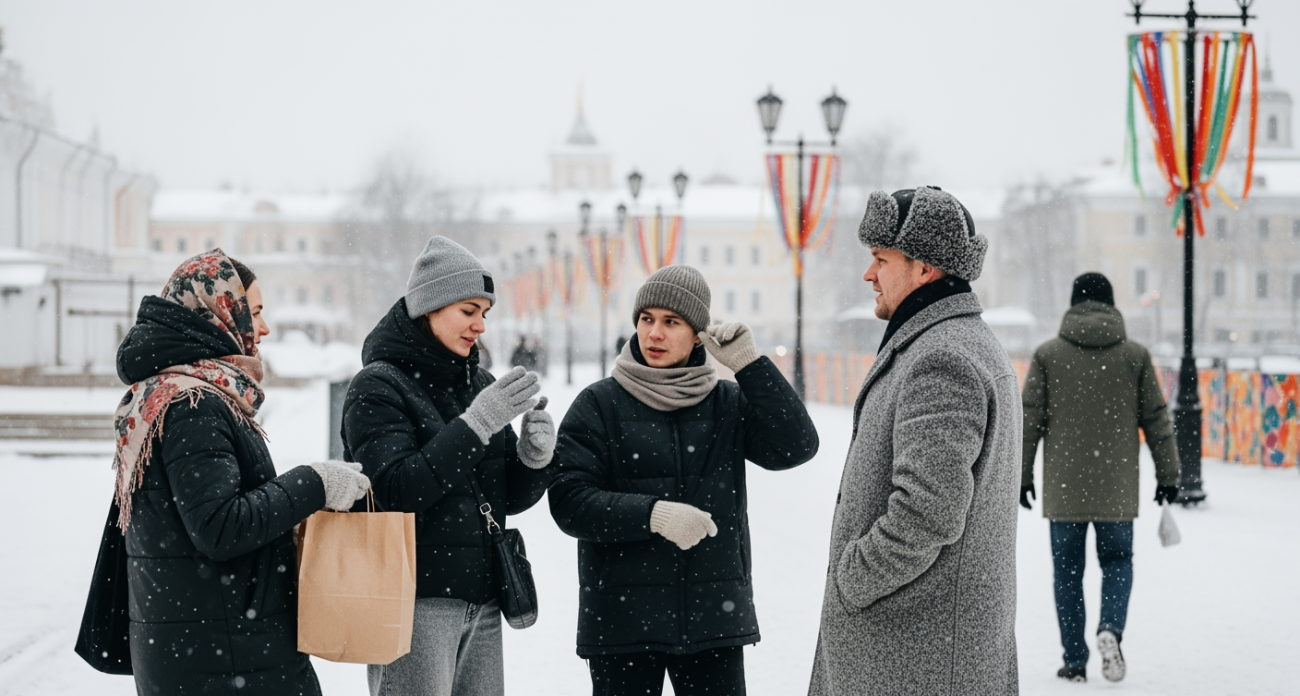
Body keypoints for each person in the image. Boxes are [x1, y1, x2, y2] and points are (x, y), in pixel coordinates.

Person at [549, 265, 819, 696]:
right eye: (646, 319)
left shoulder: (727, 402)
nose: (654, 333)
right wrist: (653, 515)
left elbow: (796, 446)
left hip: (713, 621)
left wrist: (751, 366)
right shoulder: (598, 404)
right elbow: (568, 501)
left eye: (671, 322)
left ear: (698, 334)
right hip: (623, 624)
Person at [114, 250, 369, 695]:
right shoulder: (194, 405)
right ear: (220, 315)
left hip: (199, 645)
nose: (264, 329)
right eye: (254, 313)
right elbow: (220, 527)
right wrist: (315, 481)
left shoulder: (163, 392)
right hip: (228, 656)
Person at [808, 187, 1021, 695]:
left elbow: (928, 512)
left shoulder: (940, 358)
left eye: (881, 259)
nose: (869, 274)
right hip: (928, 646)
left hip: (913, 652)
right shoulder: (957, 342)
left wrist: (852, 580)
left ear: (924, 269)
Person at [342, 236, 555, 696]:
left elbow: (505, 499)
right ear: (430, 307)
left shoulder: (478, 381)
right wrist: (478, 422)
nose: (480, 325)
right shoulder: (377, 387)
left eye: (485, 313)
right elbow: (394, 492)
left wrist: (534, 459)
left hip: (483, 599)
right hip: (413, 602)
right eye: (468, 310)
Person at [1021, 272, 1181, 684]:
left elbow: (1029, 421)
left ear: (1073, 304)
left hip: (1065, 487)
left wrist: (1021, 475)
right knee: (1117, 562)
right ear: (1111, 306)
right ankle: (1110, 628)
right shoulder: (1135, 356)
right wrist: (1168, 475)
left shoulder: (1047, 355)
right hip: (1116, 488)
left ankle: (1075, 660)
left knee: (1068, 573)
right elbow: (1157, 420)